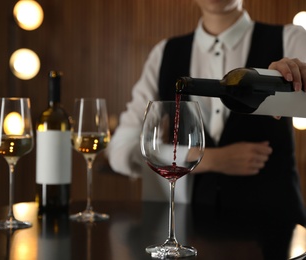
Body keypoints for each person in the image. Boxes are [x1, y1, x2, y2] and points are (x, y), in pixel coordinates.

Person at [106, 0, 306, 225]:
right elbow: (119, 152)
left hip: (278, 228)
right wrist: (206, 159)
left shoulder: (292, 39)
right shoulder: (164, 53)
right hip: (193, 232)